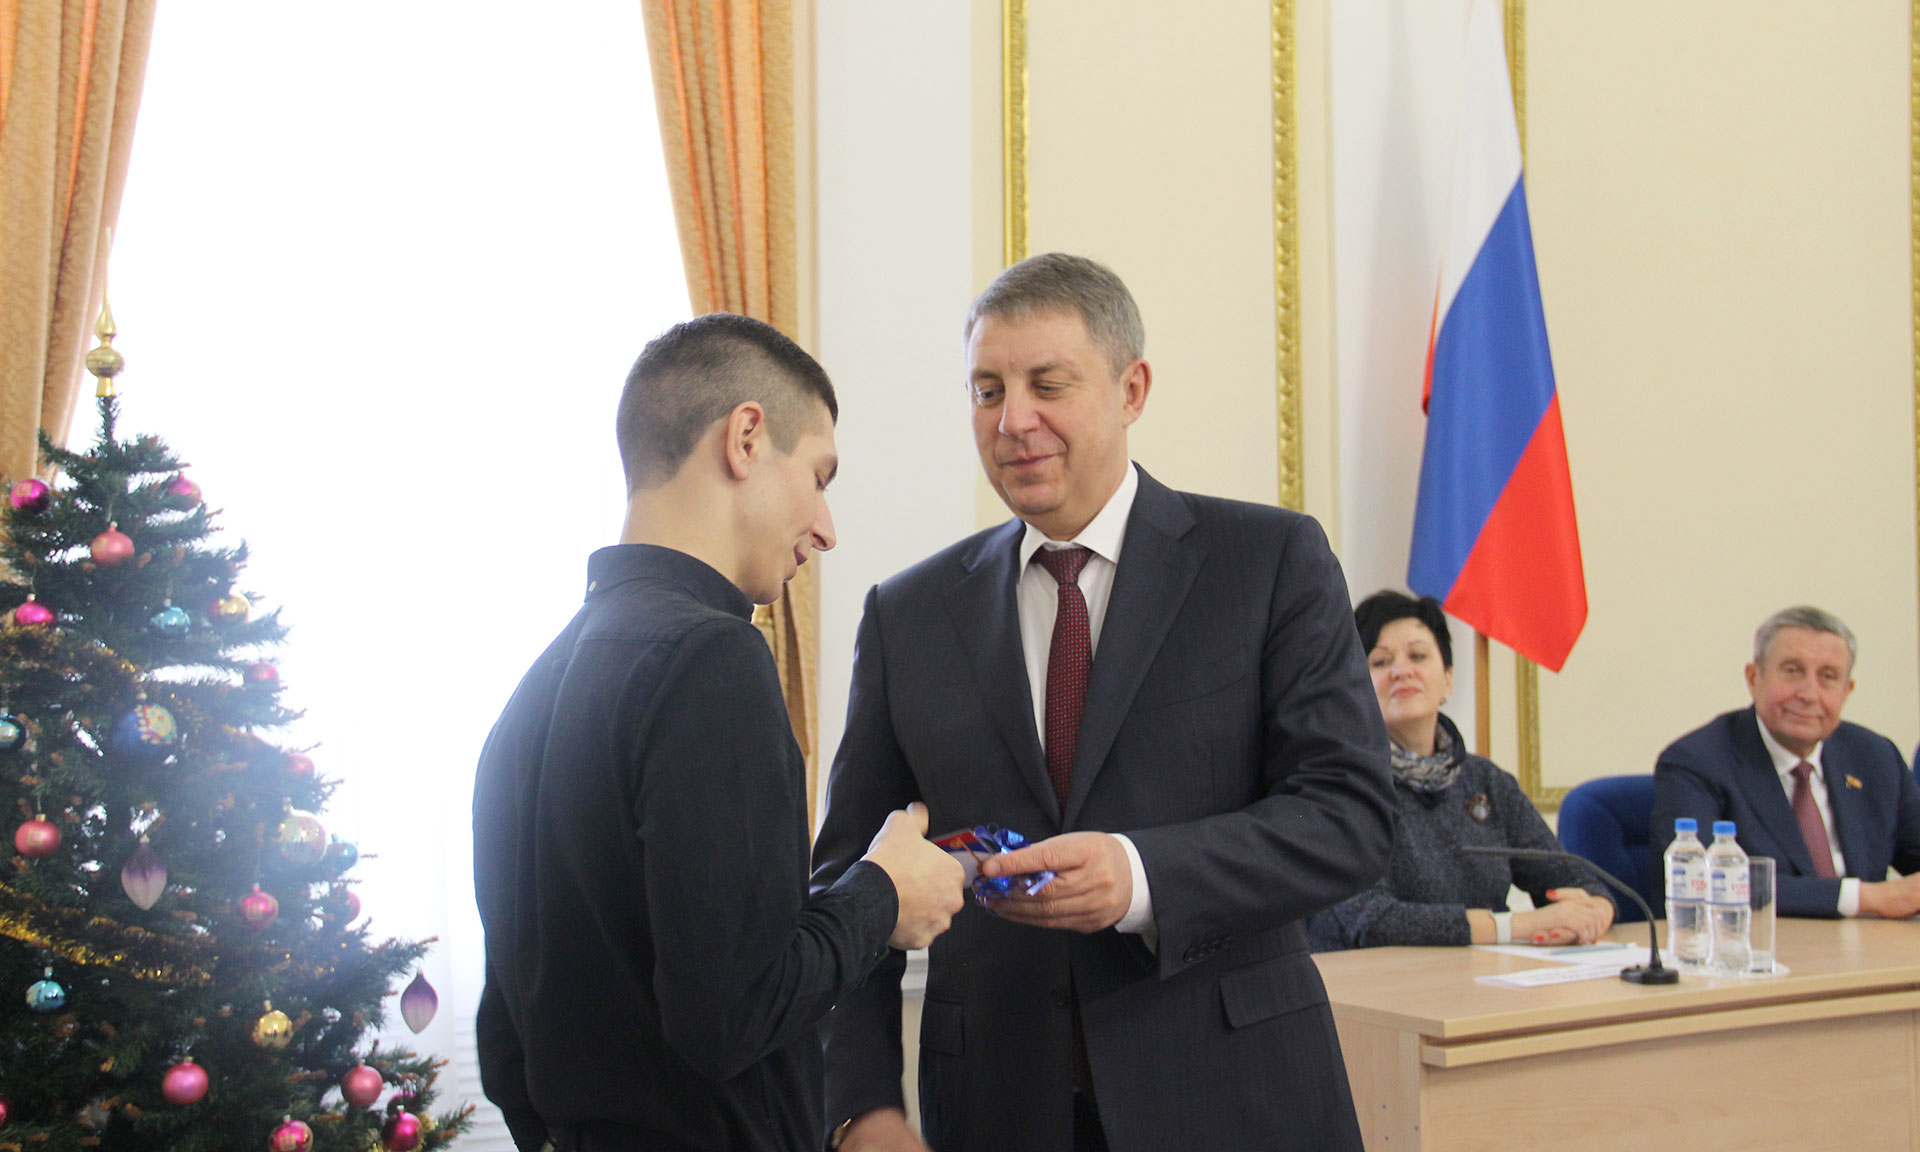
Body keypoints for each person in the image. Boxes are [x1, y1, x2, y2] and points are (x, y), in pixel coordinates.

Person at [809, 254, 1395, 1152]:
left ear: (1132, 390)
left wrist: (1142, 875)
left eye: (1048, 385)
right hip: (998, 1107)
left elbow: (1348, 817)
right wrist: (859, 1105)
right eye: (987, 390)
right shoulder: (909, 615)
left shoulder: (1268, 562)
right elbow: (853, 873)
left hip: (1235, 1097)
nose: (1013, 421)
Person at [471, 314, 966, 1152]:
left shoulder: (536, 685)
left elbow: (505, 1046)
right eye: (819, 476)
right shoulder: (712, 656)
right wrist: (883, 893)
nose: (827, 527)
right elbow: (733, 1012)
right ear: (745, 438)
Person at [1309, 591, 1613, 951]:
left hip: (1480, 975)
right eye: (1380, 661)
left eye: (1418, 656)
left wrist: (1593, 913)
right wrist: (1518, 925)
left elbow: (1577, 881)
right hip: (1373, 979)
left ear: (1448, 680)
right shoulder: (1340, 784)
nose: (1401, 671)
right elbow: (1373, 921)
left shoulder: (1486, 781)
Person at [1651, 605, 1920, 919]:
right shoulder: (1696, 762)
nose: (1809, 694)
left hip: (1871, 945)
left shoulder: (1875, 757)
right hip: (1763, 944)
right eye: (1792, 671)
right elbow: (1702, 880)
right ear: (1754, 678)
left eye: (1828, 677)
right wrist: (1866, 897)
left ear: (1847, 691)